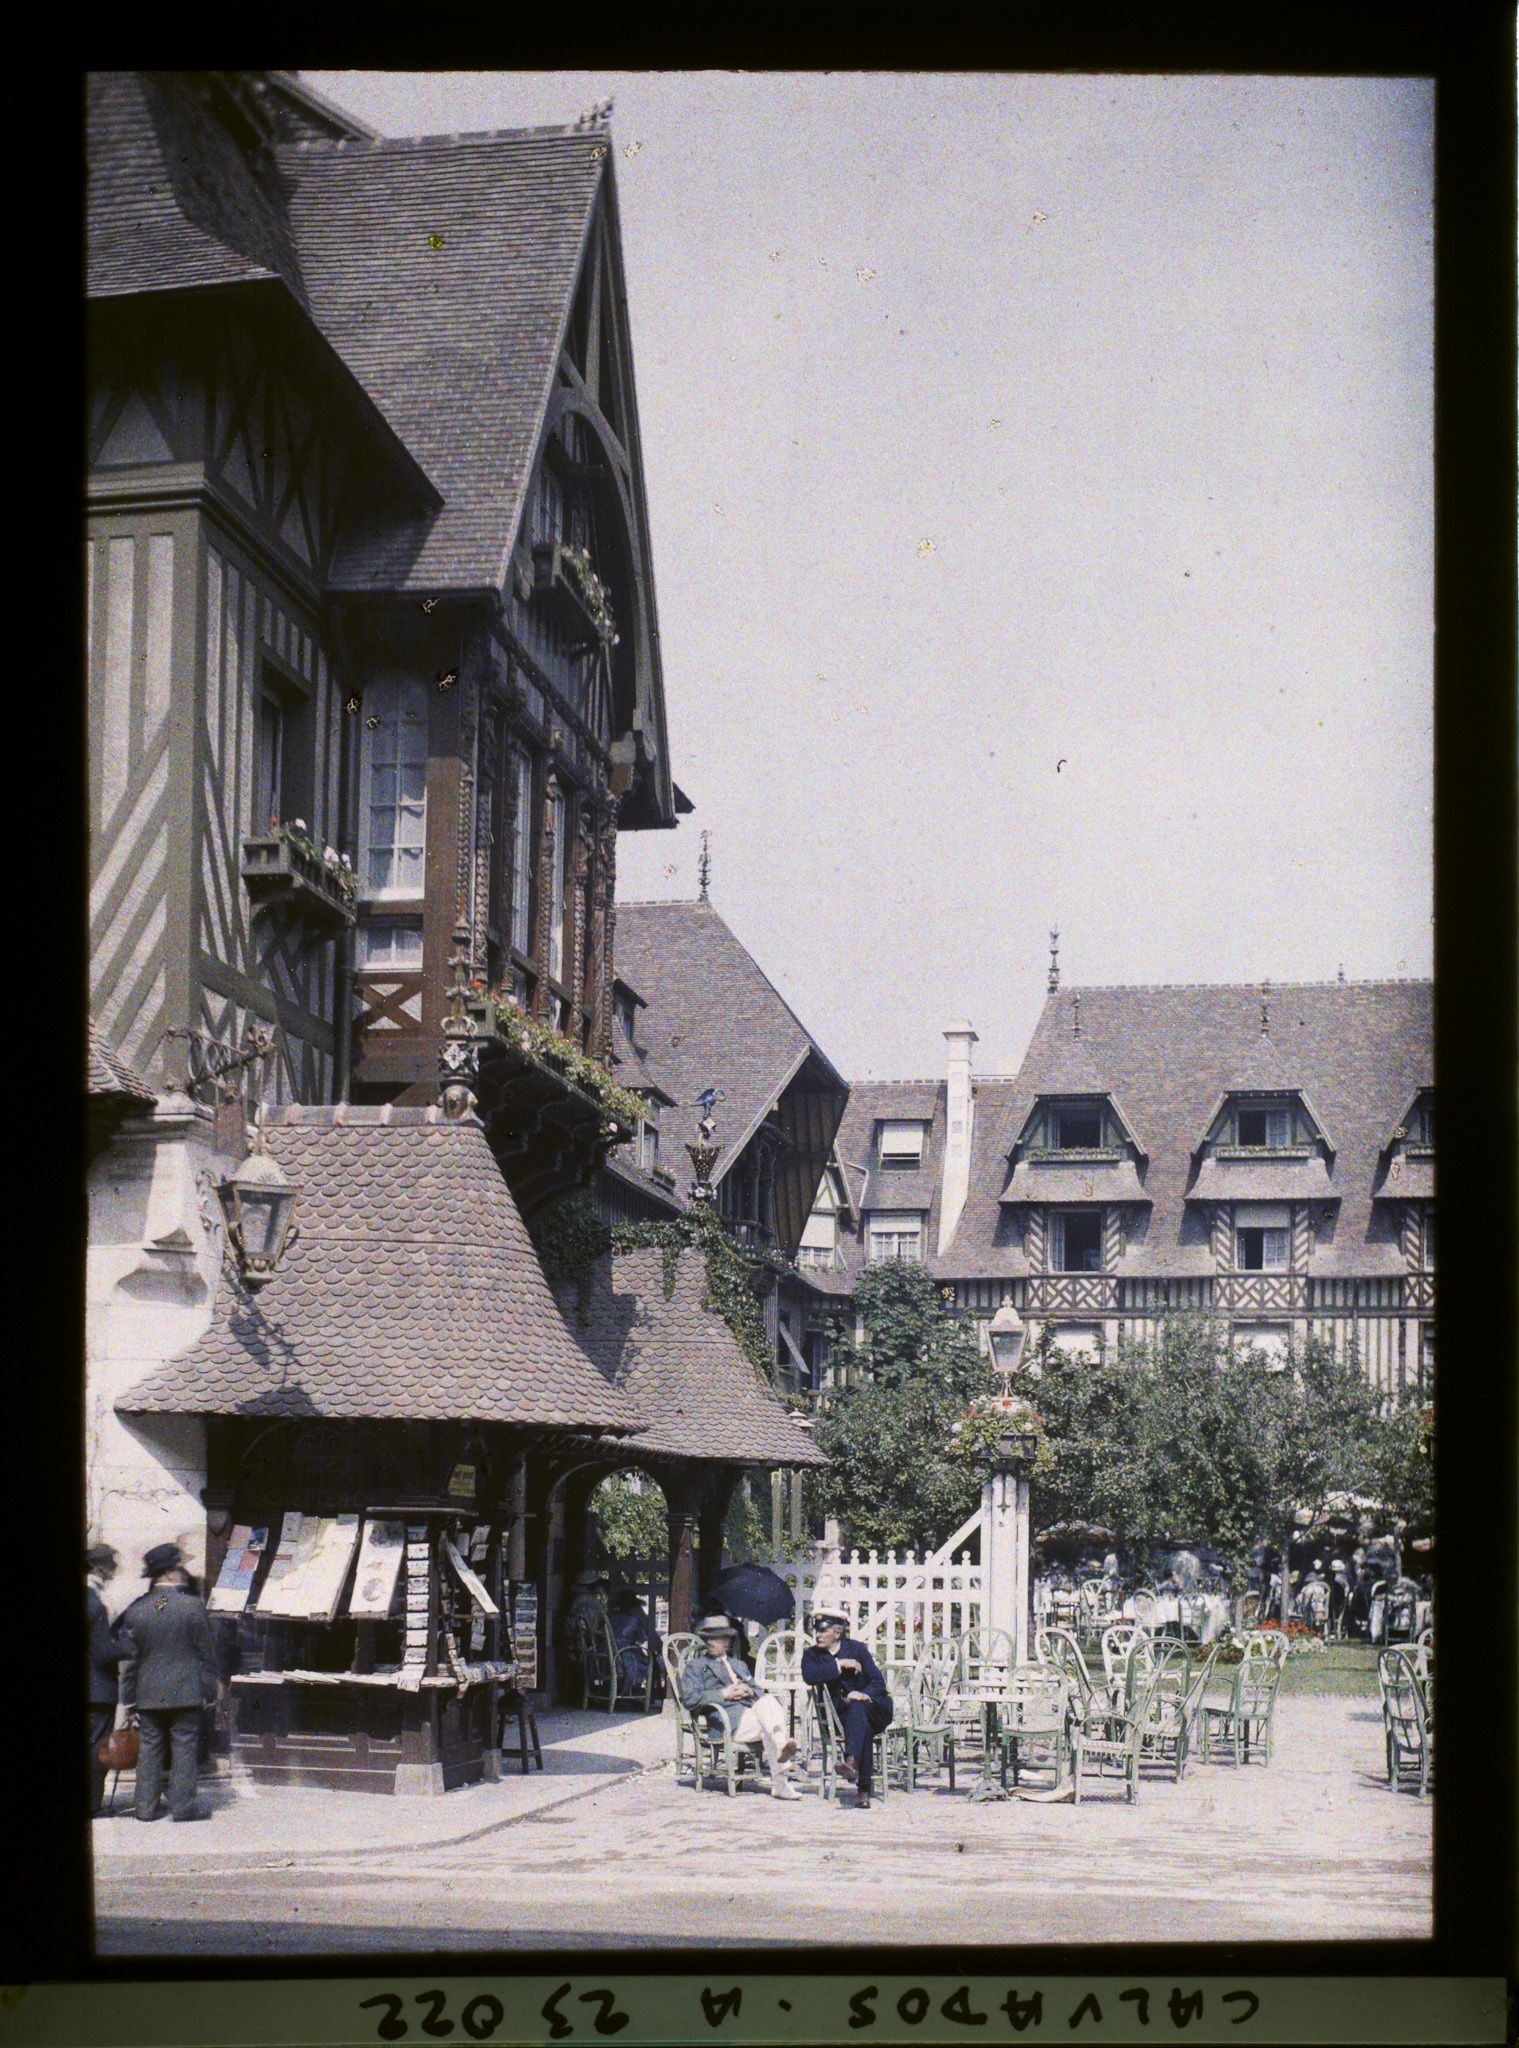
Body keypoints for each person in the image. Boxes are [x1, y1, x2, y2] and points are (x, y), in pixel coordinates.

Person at [117, 1543, 220, 1823]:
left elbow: (131, 1660)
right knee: (184, 1748)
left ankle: (145, 1808)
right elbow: (206, 1653)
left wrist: (128, 1699)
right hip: (186, 1692)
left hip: (148, 1694)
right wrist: (210, 1689)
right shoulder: (191, 1606)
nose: (185, 1572)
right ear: (171, 1572)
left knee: (150, 1749)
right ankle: (184, 1807)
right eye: (180, 1567)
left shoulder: (141, 1609)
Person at [678, 1615, 800, 1799]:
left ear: (727, 1641)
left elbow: (758, 1689)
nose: (710, 1642)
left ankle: (780, 1777)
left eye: (717, 1638)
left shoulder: (739, 1664)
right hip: (727, 1723)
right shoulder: (696, 1666)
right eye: (708, 1638)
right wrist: (723, 1694)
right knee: (770, 1720)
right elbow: (689, 1699)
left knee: (767, 1701)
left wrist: (749, 1692)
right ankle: (781, 1762)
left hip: (752, 1718)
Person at [800, 1606, 894, 1810]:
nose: (818, 1635)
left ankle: (852, 1764)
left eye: (823, 1631)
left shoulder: (857, 1649)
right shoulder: (812, 1655)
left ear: (837, 1632)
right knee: (862, 1724)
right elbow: (810, 1676)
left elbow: (878, 1682)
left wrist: (863, 1694)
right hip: (840, 1715)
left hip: (876, 1709)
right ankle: (862, 1789)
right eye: (816, 1630)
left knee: (859, 1709)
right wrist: (839, 1664)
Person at [87, 1543, 127, 1817]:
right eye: (113, 1564)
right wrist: (128, 1645)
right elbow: (103, 1652)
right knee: (97, 1746)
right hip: (98, 1688)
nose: (116, 1570)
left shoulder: (97, 1598)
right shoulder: (97, 1602)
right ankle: (92, 1804)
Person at [607, 1584, 661, 1698]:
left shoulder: (609, 1617)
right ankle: (648, 1694)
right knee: (651, 1660)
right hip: (622, 1656)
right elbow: (643, 1639)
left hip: (605, 1655)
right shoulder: (633, 1619)